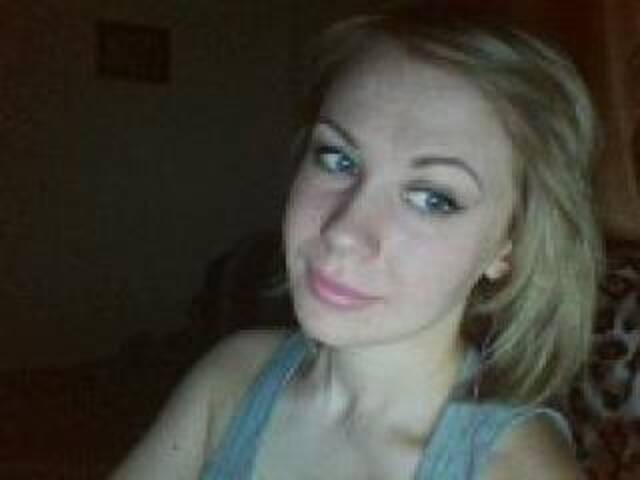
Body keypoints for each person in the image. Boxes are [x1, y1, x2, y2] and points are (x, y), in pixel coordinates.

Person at [111, 6, 601, 480]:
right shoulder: (232, 377)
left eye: (433, 198)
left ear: (509, 247)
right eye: (337, 158)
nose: (344, 231)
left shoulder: (519, 470)